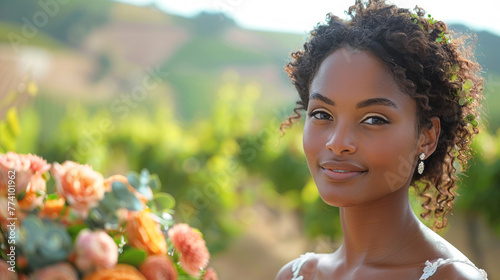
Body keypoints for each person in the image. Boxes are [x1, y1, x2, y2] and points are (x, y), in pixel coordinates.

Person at [276, 0, 488, 279]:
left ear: (426, 138)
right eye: (322, 114)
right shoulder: (296, 274)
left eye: (374, 119)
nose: (338, 142)